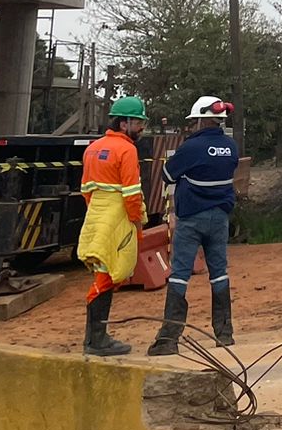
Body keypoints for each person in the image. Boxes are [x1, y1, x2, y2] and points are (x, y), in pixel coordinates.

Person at [148, 96, 240, 356]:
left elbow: (167, 175)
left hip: (191, 219)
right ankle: (224, 334)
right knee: (219, 273)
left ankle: (168, 339)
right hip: (219, 218)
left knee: (180, 274)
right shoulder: (231, 147)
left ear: (201, 119)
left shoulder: (191, 147)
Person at [77, 96, 149, 357]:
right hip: (117, 217)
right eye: (139, 122)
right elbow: (132, 193)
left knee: (103, 272)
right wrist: (136, 221)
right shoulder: (127, 150)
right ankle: (96, 340)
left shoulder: (92, 148)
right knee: (107, 277)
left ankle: (96, 338)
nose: (141, 128)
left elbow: (85, 190)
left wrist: (97, 214)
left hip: (95, 215)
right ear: (124, 123)